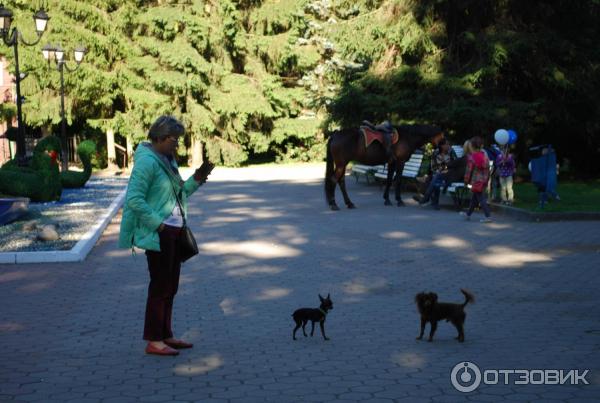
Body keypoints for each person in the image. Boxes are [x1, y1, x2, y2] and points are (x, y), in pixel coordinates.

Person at [118, 115, 215, 356]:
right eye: (174, 139)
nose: (177, 144)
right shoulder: (147, 162)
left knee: (170, 286)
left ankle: (166, 335)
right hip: (160, 233)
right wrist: (159, 225)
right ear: (160, 137)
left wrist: (198, 179)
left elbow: (178, 194)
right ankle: (153, 339)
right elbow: (134, 200)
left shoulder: (166, 159)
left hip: (174, 231)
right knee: (160, 286)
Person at [414, 138, 455, 209]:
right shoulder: (435, 153)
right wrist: (440, 170)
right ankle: (435, 203)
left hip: (449, 174)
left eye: (449, 144)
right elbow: (433, 167)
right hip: (437, 173)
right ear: (442, 146)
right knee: (436, 178)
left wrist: (446, 169)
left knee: (436, 178)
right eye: (447, 144)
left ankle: (426, 198)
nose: (449, 146)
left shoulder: (451, 152)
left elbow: (455, 163)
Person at [461, 136, 492, 222]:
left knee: (481, 199)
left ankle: (488, 216)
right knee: (474, 198)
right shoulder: (484, 156)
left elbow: (468, 171)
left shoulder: (472, 157)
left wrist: (466, 181)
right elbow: (488, 168)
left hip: (477, 181)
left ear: (471, 146)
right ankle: (468, 214)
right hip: (484, 180)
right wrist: (486, 180)